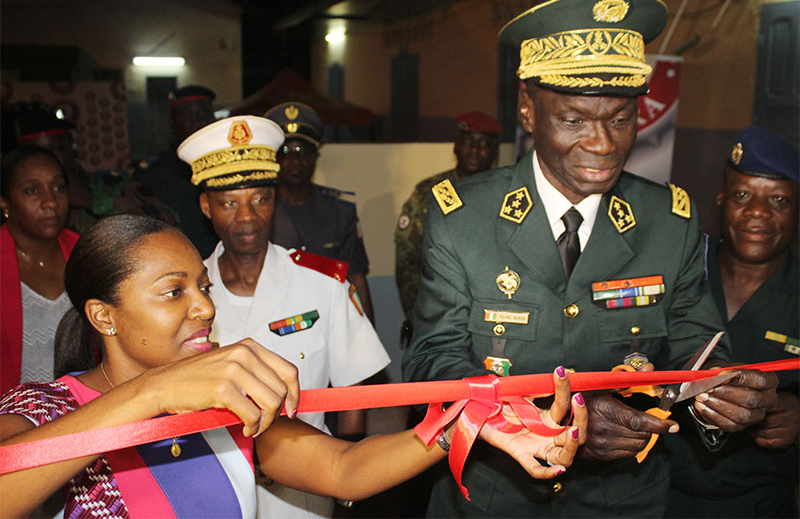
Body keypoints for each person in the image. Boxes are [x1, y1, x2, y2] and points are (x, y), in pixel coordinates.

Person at [401, 0, 779, 517]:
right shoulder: (463, 218)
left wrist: (720, 391)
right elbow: (431, 365)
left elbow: (693, 343)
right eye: (575, 120)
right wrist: (553, 421)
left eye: (621, 119)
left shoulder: (670, 221)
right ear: (529, 109)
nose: (603, 143)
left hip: (623, 499)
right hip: (493, 497)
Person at [0, 213, 589, 518]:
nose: (205, 306)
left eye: (201, 287)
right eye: (172, 291)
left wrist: (467, 423)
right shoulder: (39, 411)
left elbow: (343, 468)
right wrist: (154, 393)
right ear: (104, 317)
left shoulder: (219, 407)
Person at [179, 115, 388, 518]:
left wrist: (347, 485)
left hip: (304, 492)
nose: (247, 217)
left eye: (260, 199)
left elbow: (352, 389)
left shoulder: (322, 284)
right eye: (229, 203)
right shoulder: (185, 299)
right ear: (206, 206)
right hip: (214, 491)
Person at [666, 126, 800, 518]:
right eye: (743, 195)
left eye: (778, 199)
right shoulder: (676, 275)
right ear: (721, 202)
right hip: (659, 495)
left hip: (758, 503)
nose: (758, 212)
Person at [265, 102, 376, 324]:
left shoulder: (340, 209)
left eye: (302, 151)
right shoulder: (259, 211)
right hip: (275, 324)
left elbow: (355, 278)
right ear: (273, 159)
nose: (294, 161)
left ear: (316, 156)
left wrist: (369, 334)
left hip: (331, 323)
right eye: (285, 152)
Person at [395, 111, 502, 334]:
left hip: (496, 315)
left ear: (494, 152)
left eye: (483, 144)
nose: (474, 150)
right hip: (440, 312)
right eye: (467, 142)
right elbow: (408, 261)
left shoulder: (509, 193)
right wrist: (418, 317)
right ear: (455, 147)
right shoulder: (431, 193)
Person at [15, 106, 179, 233]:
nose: (49, 158)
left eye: (57, 148)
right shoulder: (27, 205)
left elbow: (168, 222)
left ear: (72, 147)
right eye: (39, 152)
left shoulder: (115, 185)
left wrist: (97, 202)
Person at [0, 145, 79, 393]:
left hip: (86, 410)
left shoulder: (83, 251)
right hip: (14, 419)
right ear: (4, 202)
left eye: (58, 188)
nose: (51, 202)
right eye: (32, 190)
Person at [135, 85, 219, 258]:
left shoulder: (226, 167)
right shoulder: (154, 172)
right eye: (188, 114)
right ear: (172, 121)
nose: (197, 121)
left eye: (203, 113)